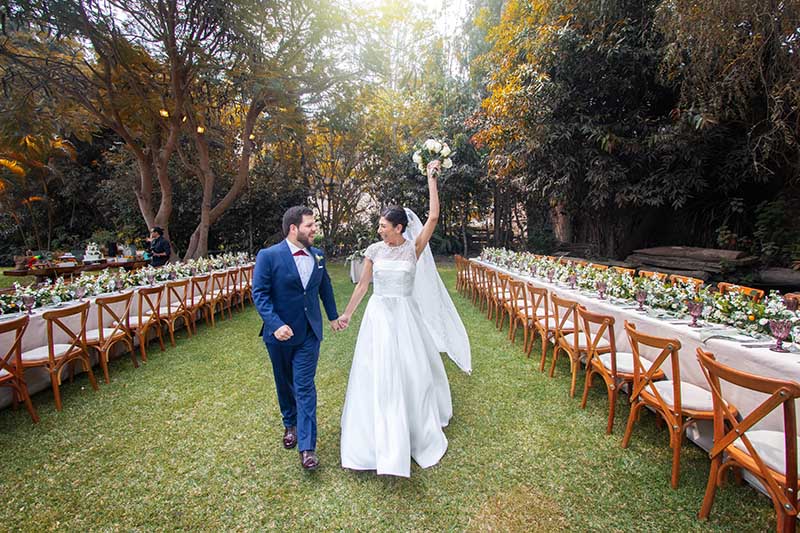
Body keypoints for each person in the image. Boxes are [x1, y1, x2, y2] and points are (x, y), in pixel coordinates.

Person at [337, 160, 471, 477]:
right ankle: (379, 432)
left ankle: (416, 427)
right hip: (380, 316)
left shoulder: (415, 248)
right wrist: (347, 314)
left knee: (413, 370)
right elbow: (363, 286)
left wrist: (432, 179)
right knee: (381, 370)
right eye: (379, 225)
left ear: (399, 227)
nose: (379, 229)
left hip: (407, 316)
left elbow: (434, 216)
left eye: (384, 225)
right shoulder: (374, 250)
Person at [251, 206, 343, 471]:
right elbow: (260, 294)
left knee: (304, 386)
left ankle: (307, 447)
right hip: (278, 335)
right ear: (294, 229)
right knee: (284, 382)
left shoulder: (318, 256)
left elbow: (324, 287)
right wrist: (275, 324)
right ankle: (289, 424)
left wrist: (333, 316)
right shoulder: (268, 256)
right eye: (309, 225)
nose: (314, 229)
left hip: (309, 334)